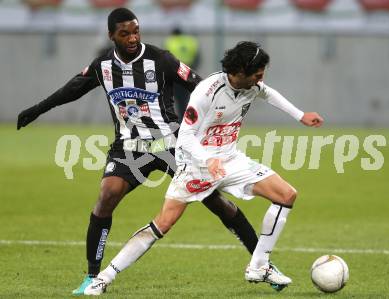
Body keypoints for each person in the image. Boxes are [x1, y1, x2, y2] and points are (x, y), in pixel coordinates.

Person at [16, 9, 263, 295]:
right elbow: (72, 88)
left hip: (170, 143)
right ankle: (92, 276)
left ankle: (261, 262)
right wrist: (36, 110)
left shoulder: (161, 59)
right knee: (106, 197)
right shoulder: (103, 66)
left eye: (136, 31)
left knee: (215, 201)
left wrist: (226, 109)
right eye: (125, 33)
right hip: (128, 148)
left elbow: (201, 85)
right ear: (112, 36)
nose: (133, 38)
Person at [84, 41, 324, 295]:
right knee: (163, 224)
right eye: (258, 74)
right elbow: (185, 137)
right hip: (197, 165)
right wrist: (208, 160)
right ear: (240, 71)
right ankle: (104, 278)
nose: (261, 79)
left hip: (231, 160)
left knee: (287, 195)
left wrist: (300, 115)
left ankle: (259, 266)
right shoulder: (206, 91)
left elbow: (268, 93)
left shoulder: (251, 85)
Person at [164, 27, 200, 122]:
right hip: (188, 74)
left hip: (175, 74)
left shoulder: (170, 41)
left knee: (174, 99)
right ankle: (187, 120)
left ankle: (180, 121)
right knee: (185, 99)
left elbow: (165, 58)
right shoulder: (190, 41)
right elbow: (197, 57)